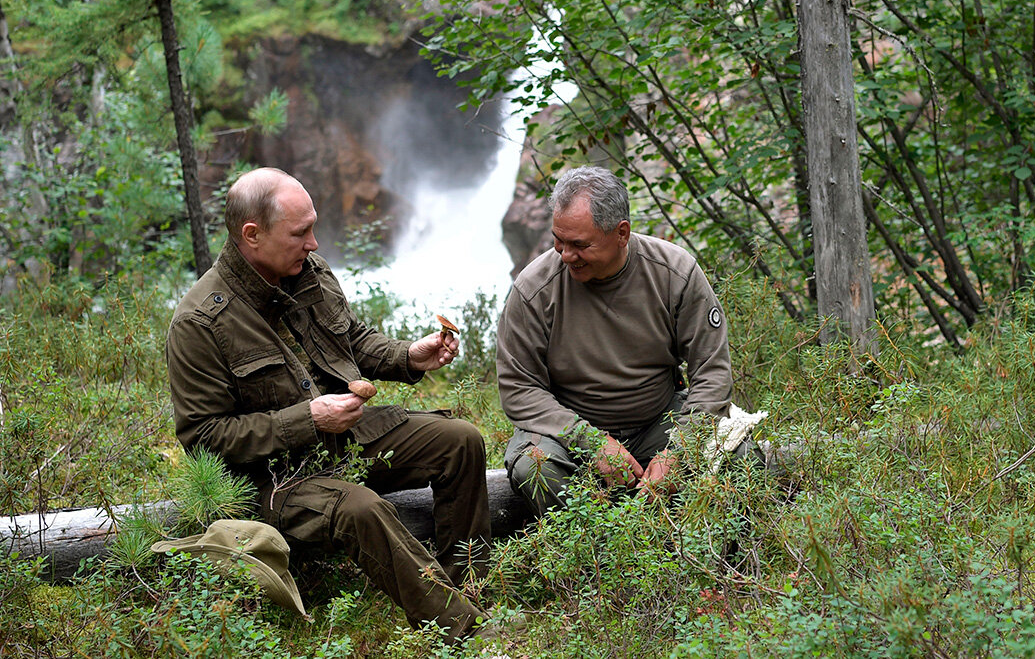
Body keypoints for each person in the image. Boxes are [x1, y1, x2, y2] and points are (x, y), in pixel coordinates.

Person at [166, 167, 490, 643]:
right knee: (361, 508)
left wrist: (407, 356)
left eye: (313, 228)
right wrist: (309, 419)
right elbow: (204, 438)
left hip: (344, 442)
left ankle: (467, 588)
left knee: (460, 441)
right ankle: (464, 631)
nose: (314, 243)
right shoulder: (199, 323)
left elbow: (349, 339)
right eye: (300, 233)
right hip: (274, 480)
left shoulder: (307, 270)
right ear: (252, 235)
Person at [497, 165, 733, 517]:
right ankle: (596, 543)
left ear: (621, 233)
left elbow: (712, 373)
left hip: (658, 422)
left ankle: (680, 539)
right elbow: (518, 388)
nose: (565, 255)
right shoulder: (533, 288)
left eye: (580, 245)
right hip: (569, 434)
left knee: (738, 455)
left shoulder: (675, 273)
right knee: (534, 467)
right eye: (558, 240)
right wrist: (590, 441)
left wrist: (679, 452)